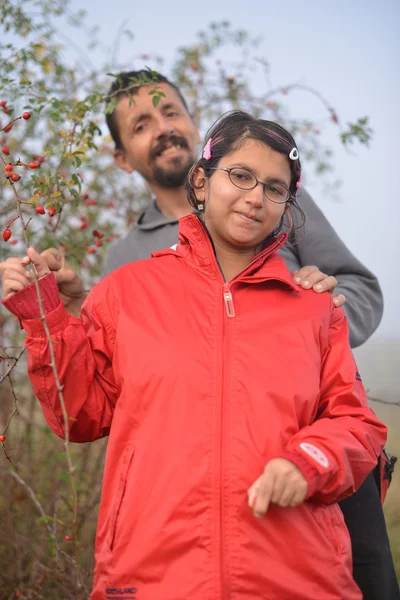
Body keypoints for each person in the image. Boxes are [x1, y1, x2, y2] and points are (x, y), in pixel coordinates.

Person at [36, 70, 397, 599]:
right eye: (141, 124)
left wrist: (320, 312)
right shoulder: (125, 269)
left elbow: (356, 298)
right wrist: (52, 316)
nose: (163, 128)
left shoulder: (287, 232)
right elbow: (94, 399)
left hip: (315, 474)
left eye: (171, 112)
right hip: (174, 529)